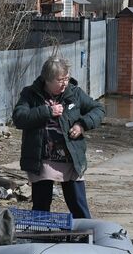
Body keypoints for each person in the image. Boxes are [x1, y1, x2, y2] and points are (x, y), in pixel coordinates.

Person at [12, 57, 104, 219]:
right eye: (60, 80)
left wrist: (81, 125)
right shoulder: (31, 94)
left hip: (71, 158)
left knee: (78, 205)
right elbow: (19, 118)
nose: (64, 83)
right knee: (41, 206)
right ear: (47, 80)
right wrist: (47, 111)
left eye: (67, 78)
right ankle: (39, 237)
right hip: (42, 159)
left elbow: (98, 109)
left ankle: (84, 238)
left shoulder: (74, 93)